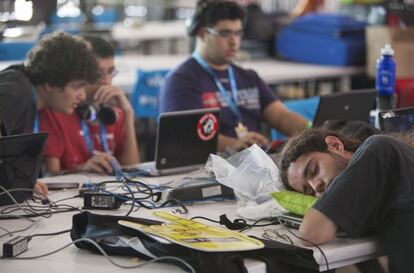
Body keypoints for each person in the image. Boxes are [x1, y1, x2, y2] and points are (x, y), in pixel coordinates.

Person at [159, 0, 308, 152]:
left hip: (252, 162)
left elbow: (281, 116)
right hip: (208, 167)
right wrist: (234, 144)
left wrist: (313, 130)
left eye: (238, 33)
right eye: (225, 33)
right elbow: (185, 136)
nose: (234, 42)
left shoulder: (248, 77)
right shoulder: (181, 80)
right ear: (203, 34)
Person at [278, 128, 414, 273]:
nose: (316, 187)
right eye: (309, 191)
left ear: (335, 145)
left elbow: (311, 233)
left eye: (314, 169)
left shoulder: (378, 149)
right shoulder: (367, 196)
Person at [0, 31, 100, 195]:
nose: (82, 96)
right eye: (77, 87)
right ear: (50, 83)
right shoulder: (15, 92)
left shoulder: (28, 94)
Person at [39, 35, 140, 175]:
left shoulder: (113, 111)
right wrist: (82, 170)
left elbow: (132, 170)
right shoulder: (58, 108)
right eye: (98, 74)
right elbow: (50, 175)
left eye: (111, 72)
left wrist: (128, 113)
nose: (106, 81)